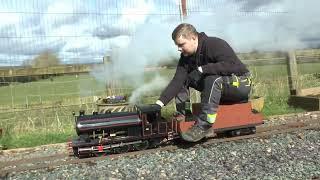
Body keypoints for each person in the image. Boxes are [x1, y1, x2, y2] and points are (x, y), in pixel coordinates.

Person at [155, 23, 252, 142]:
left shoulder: (215, 44)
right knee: (184, 80)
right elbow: (177, 81)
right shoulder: (186, 57)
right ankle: (184, 114)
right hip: (219, 87)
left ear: (193, 38)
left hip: (240, 84)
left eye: (181, 44)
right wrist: (159, 104)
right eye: (177, 45)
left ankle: (204, 126)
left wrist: (203, 69)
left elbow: (233, 66)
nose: (179, 48)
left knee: (212, 79)